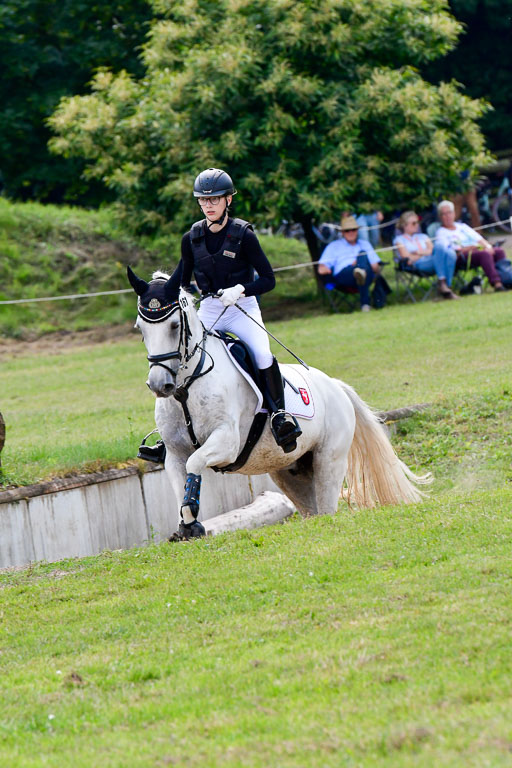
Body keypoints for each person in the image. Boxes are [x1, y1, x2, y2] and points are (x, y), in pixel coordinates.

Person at [141, 168, 302, 459]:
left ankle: (280, 415)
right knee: (182, 356)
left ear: (228, 200)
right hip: (211, 308)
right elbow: (182, 278)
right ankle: (170, 437)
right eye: (203, 200)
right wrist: (160, 287)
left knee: (263, 355)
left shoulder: (244, 235)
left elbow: (268, 279)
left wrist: (240, 289)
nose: (209, 205)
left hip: (241, 307)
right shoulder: (191, 237)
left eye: (214, 199)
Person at [436, 200, 506, 292]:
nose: (447, 216)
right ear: (440, 217)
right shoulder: (441, 233)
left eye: (449, 212)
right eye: (444, 214)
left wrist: (488, 246)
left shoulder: (462, 227)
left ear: (454, 213)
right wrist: (472, 247)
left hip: (477, 250)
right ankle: (497, 283)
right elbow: (451, 252)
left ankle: (506, 279)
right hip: (462, 257)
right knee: (485, 254)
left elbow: (479, 239)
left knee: (498, 251)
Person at [317, 215, 381, 311]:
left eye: (353, 229)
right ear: (342, 232)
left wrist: (360, 262)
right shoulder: (334, 246)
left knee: (362, 257)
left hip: (367, 274)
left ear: (357, 230)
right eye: (347, 230)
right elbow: (321, 269)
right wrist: (327, 271)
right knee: (361, 268)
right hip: (345, 275)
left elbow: (376, 268)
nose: (351, 232)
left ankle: (360, 272)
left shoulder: (365, 244)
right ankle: (365, 304)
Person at [393, 210, 458, 299]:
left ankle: (446, 286)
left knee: (449, 253)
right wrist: (425, 253)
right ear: (405, 225)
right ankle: (444, 286)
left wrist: (419, 252)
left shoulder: (423, 236)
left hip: (433, 260)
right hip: (418, 265)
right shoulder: (399, 240)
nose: (417, 225)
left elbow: (433, 250)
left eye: (417, 222)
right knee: (442, 251)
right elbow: (406, 258)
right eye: (413, 223)